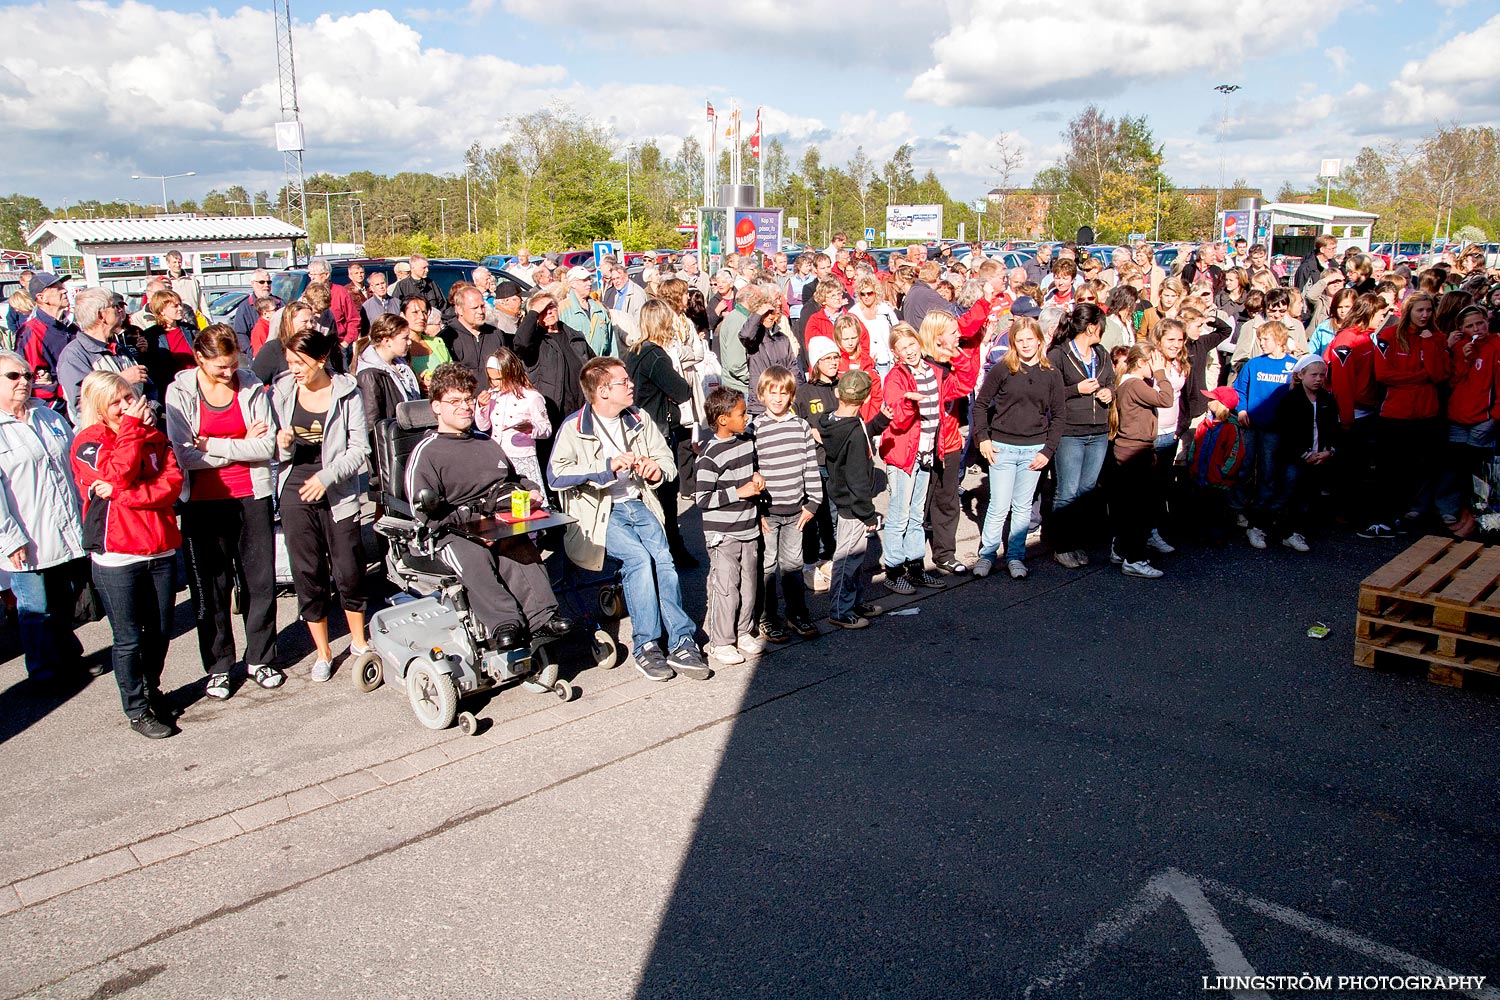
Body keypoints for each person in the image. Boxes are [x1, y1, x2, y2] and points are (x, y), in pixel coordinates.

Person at [549, 357, 710, 682]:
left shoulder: (638, 417)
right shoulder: (574, 427)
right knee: (638, 560)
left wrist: (655, 470)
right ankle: (646, 646)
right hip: (598, 512)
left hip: (638, 502)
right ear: (603, 391)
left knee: (663, 559)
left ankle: (681, 641)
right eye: (624, 381)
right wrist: (606, 469)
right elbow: (555, 475)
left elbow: (665, 459)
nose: (632, 384)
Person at [406, 363, 574, 651]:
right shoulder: (428, 451)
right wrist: (465, 521)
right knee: (474, 555)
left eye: (468, 400)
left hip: (495, 519)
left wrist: (529, 490)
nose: (465, 407)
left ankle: (543, 617)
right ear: (436, 407)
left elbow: (513, 478)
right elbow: (421, 508)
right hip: (452, 529)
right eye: (454, 401)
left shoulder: (486, 443)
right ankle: (504, 623)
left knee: (519, 548)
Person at [165, 325, 280, 699]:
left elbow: (265, 446)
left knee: (259, 583)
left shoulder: (249, 383)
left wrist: (214, 444)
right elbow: (185, 454)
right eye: (219, 368)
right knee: (213, 589)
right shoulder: (180, 391)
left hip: (252, 494)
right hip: (203, 502)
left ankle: (261, 657)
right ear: (199, 359)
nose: (228, 374)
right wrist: (239, 443)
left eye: (232, 365)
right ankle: (218, 665)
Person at [70, 371, 183, 738]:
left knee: (161, 631)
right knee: (129, 637)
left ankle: (153, 690)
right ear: (100, 407)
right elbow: (117, 473)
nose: (124, 407)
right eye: (116, 402)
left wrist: (127, 496)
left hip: (160, 547)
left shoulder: (153, 435)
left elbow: (171, 485)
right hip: (117, 555)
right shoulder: (88, 442)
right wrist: (131, 429)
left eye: (128, 398)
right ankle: (136, 708)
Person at [271, 328, 371, 681]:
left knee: (348, 566)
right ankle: (323, 651)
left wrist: (327, 477)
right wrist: (282, 443)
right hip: (295, 486)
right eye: (289, 363)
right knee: (307, 571)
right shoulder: (283, 390)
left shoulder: (346, 392)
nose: (293, 369)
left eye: (300, 363)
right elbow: (276, 449)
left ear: (321, 360)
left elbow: (360, 449)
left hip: (336, 486)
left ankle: (359, 641)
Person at [0, 349, 88, 681]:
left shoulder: (48, 415)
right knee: (35, 608)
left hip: (64, 525)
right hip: (24, 532)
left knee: (64, 599)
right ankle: (43, 671)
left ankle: (66, 655)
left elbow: (72, 466)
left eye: (26, 375)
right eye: (13, 376)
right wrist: (8, 538)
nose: (23, 381)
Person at [971, 317, 1065, 579]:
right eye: (1019, 340)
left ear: (1039, 339)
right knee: (999, 505)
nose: (1025, 344)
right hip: (1002, 447)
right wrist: (984, 438)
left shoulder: (1051, 374)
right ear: (1013, 342)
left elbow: (1059, 416)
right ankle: (987, 555)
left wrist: (1048, 451)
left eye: (1029, 339)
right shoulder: (1002, 369)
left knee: (1022, 507)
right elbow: (980, 405)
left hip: (1033, 449)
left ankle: (1015, 556)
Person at [694, 387, 766, 665]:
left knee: (749, 584)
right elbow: (702, 498)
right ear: (723, 419)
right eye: (741, 413)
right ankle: (720, 641)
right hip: (722, 534)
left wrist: (757, 477)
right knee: (726, 585)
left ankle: (743, 631)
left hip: (749, 527)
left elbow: (752, 468)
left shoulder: (747, 441)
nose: (746, 418)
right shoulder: (710, 456)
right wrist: (739, 492)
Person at [751, 366, 822, 643]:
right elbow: (751, 469)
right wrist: (756, 510)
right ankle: (767, 617)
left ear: (791, 395)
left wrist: (813, 503)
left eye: (784, 393)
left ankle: (797, 614)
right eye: (772, 393)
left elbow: (810, 467)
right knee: (767, 566)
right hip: (768, 512)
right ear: (762, 394)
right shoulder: (755, 428)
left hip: (796, 512)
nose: (778, 399)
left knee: (792, 564)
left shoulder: (800, 426)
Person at [624, 299, 695, 565]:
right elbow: (681, 390)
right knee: (665, 493)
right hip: (656, 429)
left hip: (640, 425)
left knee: (650, 493)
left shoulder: (635, 350)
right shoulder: (655, 355)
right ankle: (671, 550)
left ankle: (661, 547)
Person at [879, 323, 947, 594]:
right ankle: (894, 570)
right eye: (902, 348)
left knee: (917, 514)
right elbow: (896, 417)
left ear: (919, 342)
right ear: (895, 353)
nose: (909, 352)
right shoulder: (896, 376)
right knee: (900, 514)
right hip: (903, 453)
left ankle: (915, 566)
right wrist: (908, 400)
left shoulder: (932, 370)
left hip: (927, 451)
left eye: (911, 345)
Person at [1046, 305, 1115, 568]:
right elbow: (1049, 394)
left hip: (1098, 430)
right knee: (1067, 491)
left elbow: (1111, 380)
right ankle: (1061, 546)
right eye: (1101, 326)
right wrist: (1076, 389)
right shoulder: (1058, 355)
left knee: (1086, 491)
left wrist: (1110, 391)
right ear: (1091, 328)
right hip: (1071, 431)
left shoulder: (1101, 353)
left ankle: (1076, 542)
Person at [819, 370, 889, 628]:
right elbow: (858, 478)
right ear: (867, 397)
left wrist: (879, 422)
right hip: (853, 506)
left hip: (842, 498)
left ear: (838, 393)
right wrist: (868, 513)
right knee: (848, 559)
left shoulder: (832, 421)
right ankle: (840, 610)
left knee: (855, 558)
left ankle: (854, 602)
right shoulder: (854, 432)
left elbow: (857, 434)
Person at [1374, 292, 1448, 530]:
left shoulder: (1436, 337)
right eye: (1420, 310)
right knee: (1393, 467)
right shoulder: (1388, 335)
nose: (1425, 315)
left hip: (1426, 414)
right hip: (1395, 414)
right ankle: (1389, 513)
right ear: (1408, 312)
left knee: (1423, 466)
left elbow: (1438, 375)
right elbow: (1384, 375)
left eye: (1428, 310)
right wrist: (1420, 377)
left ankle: (1416, 512)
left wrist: (1428, 344)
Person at [1108, 345, 1174, 579]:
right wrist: (1161, 374)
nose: (1157, 366)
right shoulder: (1134, 384)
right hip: (1135, 451)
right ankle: (1134, 559)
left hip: (1133, 448)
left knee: (1129, 507)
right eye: (1154, 361)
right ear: (1142, 363)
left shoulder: (1129, 384)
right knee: (1140, 509)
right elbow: (1166, 399)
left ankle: (1121, 550)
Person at [1233, 322, 1299, 549]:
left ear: (1280, 340)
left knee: (1268, 472)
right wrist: (1241, 409)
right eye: (1261, 339)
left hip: (1275, 429)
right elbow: (1239, 390)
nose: (1262, 343)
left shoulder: (1293, 367)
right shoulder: (1253, 364)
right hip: (1250, 425)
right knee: (1244, 467)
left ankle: (1261, 513)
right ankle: (1239, 509)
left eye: (1266, 339)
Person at [1262, 356, 1339, 553]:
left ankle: (1292, 532)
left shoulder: (1327, 399)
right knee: (1284, 493)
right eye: (1313, 375)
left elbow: (1332, 429)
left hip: (1318, 455)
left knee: (1306, 495)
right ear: (1301, 375)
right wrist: (1304, 454)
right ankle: (1260, 525)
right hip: (1293, 458)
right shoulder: (1290, 400)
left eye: (1322, 375)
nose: (1318, 379)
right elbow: (1287, 433)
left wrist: (1328, 451)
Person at [515, 290, 594, 472]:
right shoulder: (535, 341)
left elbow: (594, 366)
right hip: (553, 413)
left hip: (581, 410)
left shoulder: (575, 336)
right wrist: (533, 312)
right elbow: (520, 344)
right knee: (556, 463)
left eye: (551, 307)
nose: (548, 312)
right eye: (543, 310)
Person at [57, 288, 150, 416]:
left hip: (138, 428)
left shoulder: (119, 348)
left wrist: (152, 410)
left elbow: (148, 387)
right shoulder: (74, 356)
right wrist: (120, 380)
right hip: (108, 433)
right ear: (101, 315)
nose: (120, 310)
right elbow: (81, 405)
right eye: (114, 306)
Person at [476, 347, 552, 488]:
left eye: (500, 379)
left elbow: (547, 430)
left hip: (522, 457)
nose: (496, 383)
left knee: (527, 498)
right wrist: (481, 406)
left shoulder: (532, 397)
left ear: (511, 373)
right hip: (497, 455)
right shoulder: (492, 395)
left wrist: (530, 428)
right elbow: (483, 426)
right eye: (492, 379)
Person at [1183, 386, 1245, 544]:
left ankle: (1217, 535)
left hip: (1219, 479)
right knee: (1202, 506)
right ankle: (1201, 533)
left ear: (1221, 404)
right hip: (1201, 475)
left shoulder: (1231, 427)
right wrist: (1192, 463)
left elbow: (1235, 453)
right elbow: (1195, 445)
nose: (1208, 401)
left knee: (1217, 508)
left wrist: (1224, 472)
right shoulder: (1205, 424)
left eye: (1212, 399)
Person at [18, 272, 75, 412]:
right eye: (57, 288)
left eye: (63, 286)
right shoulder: (31, 332)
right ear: (41, 297)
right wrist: (62, 390)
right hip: (56, 409)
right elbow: (31, 382)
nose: (65, 290)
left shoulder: (73, 327)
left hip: (83, 398)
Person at [443, 285, 506, 382]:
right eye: (475, 308)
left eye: (482, 306)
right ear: (459, 310)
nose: (480, 311)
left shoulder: (495, 334)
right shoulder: (448, 337)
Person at [140, 288, 197, 390]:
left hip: (194, 382)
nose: (180, 308)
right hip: (170, 387)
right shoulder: (151, 335)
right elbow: (151, 367)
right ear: (162, 310)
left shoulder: (190, 330)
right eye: (175, 306)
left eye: (180, 305)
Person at [403, 297, 451, 388]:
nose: (422, 317)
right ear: (402, 315)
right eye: (415, 312)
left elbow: (452, 372)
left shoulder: (438, 343)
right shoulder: (397, 348)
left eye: (424, 312)